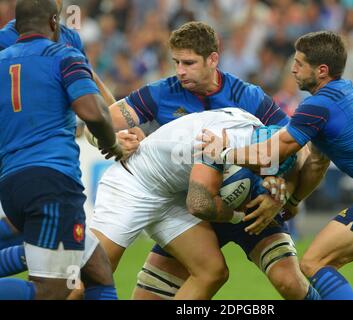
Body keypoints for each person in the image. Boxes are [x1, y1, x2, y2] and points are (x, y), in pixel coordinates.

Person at [198, 31, 353, 300]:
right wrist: (293, 200)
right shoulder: (345, 93)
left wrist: (225, 151)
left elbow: (271, 154)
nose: (293, 69)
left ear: (321, 70)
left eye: (300, 63)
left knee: (315, 262)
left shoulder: (318, 105)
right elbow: (316, 162)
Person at [97, 21, 327, 300]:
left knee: (289, 282)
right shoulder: (161, 92)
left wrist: (281, 196)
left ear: (213, 59)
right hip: (189, 206)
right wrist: (112, 141)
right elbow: (99, 123)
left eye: (189, 63)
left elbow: (293, 148)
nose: (180, 71)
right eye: (176, 62)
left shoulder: (248, 97)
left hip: (250, 205)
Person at [90, 107, 320, 300]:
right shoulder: (215, 143)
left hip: (172, 196)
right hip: (133, 184)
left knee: (211, 272)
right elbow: (199, 204)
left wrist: (280, 190)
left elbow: (296, 154)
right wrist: (237, 215)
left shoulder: (258, 133)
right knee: (95, 271)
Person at [0, 0, 123, 300]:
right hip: (53, 180)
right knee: (52, 290)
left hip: (14, 182)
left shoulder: (4, 57)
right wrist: (111, 142)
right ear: (54, 21)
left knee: (96, 269)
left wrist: (119, 114)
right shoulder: (63, 54)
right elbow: (92, 111)